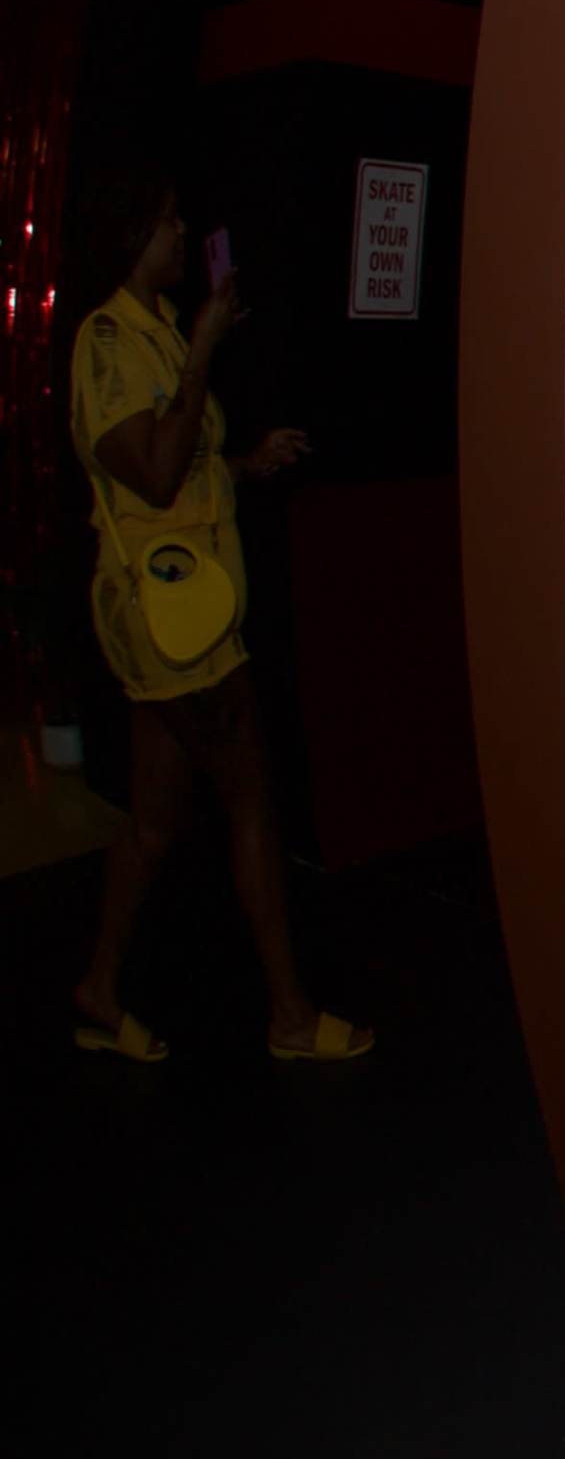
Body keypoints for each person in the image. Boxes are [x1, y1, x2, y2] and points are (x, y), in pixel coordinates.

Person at [67, 163, 351, 1064]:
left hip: (184, 620)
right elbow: (146, 473)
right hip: (174, 627)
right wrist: (202, 348)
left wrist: (245, 462)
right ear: (130, 239)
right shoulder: (109, 340)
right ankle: (291, 1017)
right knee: (251, 803)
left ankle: (99, 988)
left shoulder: (147, 328)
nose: (181, 236)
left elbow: (181, 469)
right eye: (166, 223)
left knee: (154, 824)